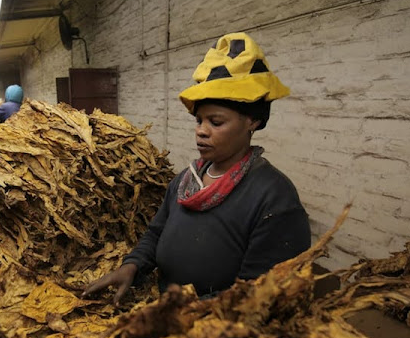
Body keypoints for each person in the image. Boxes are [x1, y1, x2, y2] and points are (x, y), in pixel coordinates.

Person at [83, 33, 311, 304]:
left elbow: (259, 295)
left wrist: (182, 314)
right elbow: (156, 233)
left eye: (216, 122)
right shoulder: (186, 181)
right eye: (199, 120)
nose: (201, 132)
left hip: (217, 330)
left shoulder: (273, 198)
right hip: (167, 307)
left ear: (252, 121)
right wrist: (132, 265)